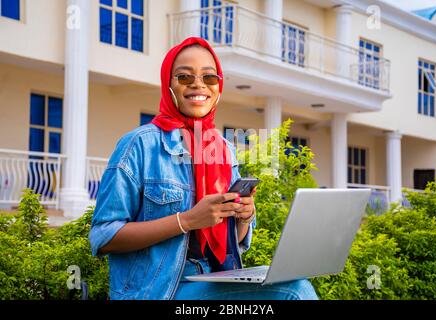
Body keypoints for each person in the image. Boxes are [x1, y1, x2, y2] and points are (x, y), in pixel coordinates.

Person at [89, 37, 318, 300]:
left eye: (209, 78)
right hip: (157, 291)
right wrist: (186, 221)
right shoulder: (139, 144)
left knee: (294, 283)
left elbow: (231, 242)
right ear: (169, 84)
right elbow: (104, 236)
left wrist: (242, 216)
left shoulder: (221, 148)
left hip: (210, 277)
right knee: (294, 292)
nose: (198, 84)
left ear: (218, 87)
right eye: (185, 77)